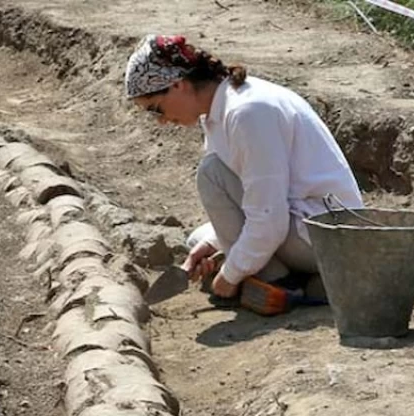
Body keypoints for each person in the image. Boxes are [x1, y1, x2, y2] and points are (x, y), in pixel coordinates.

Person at [124, 34, 363, 303]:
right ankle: (300, 280)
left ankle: (282, 283)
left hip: (331, 238)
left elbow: (269, 218)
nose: (161, 121)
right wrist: (214, 246)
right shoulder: (221, 110)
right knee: (198, 241)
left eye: (156, 109)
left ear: (178, 84)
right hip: (303, 226)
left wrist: (230, 274)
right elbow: (255, 198)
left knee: (211, 173)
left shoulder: (247, 113)